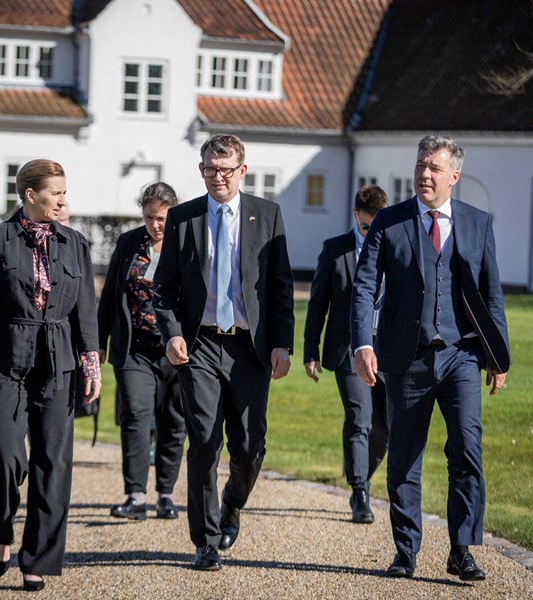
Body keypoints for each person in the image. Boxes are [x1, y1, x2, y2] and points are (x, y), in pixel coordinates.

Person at [350, 135, 510, 581]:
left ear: (454, 175)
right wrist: (364, 343)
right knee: (404, 456)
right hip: (406, 358)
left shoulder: (478, 223)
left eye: (435, 168)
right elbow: (364, 288)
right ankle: (405, 551)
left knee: (467, 450)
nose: (425, 173)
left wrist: (499, 357)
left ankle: (462, 550)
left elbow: (492, 293)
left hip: (461, 356)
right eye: (421, 165)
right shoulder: (388, 221)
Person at [153, 133, 295, 571]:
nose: (219, 178)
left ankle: (232, 505)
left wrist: (282, 344)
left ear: (242, 171)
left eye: (227, 170)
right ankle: (206, 540)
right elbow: (164, 288)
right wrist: (173, 333)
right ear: (201, 171)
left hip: (249, 347)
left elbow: (280, 287)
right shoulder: (183, 217)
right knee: (204, 443)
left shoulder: (266, 215)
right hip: (200, 346)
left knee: (250, 447)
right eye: (211, 170)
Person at [0, 159, 101, 592]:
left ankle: (37, 559)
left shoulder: (76, 243)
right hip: (5, 360)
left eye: (64, 191)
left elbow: (86, 311)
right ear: (29, 195)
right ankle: (2, 526)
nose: (63, 198)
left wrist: (91, 362)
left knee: (53, 464)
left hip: (59, 363)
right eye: (56, 192)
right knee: (6, 455)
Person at [98, 182, 187, 521]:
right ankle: (135, 496)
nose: (156, 225)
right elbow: (110, 295)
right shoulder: (129, 243)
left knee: (172, 421)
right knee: (136, 415)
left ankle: (166, 494)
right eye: (150, 217)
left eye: (162, 218)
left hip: (176, 350)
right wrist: (100, 341)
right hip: (133, 346)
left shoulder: (187, 243)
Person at [303, 184, 389, 524]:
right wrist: (310, 350)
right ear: (356, 216)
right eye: (367, 227)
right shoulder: (335, 250)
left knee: (386, 428)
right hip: (348, 350)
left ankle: (360, 473)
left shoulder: (395, 249)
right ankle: (359, 492)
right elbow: (317, 305)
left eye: (377, 227)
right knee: (360, 419)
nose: (372, 234)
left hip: (389, 351)